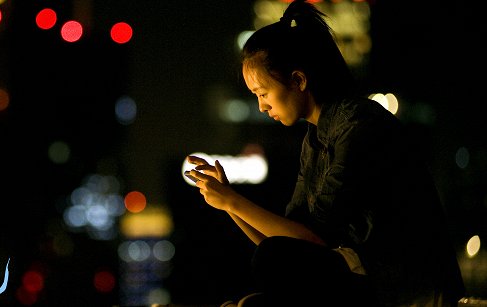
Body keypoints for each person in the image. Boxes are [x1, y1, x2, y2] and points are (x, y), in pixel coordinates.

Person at [185, 0, 465, 306]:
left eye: (263, 94)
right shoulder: (316, 136)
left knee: (269, 264)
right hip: (368, 278)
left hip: (407, 288)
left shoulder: (358, 125)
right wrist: (227, 201)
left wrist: (232, 200)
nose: (262, 106)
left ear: (299, 80)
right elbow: (286, 240)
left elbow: (308, 241)